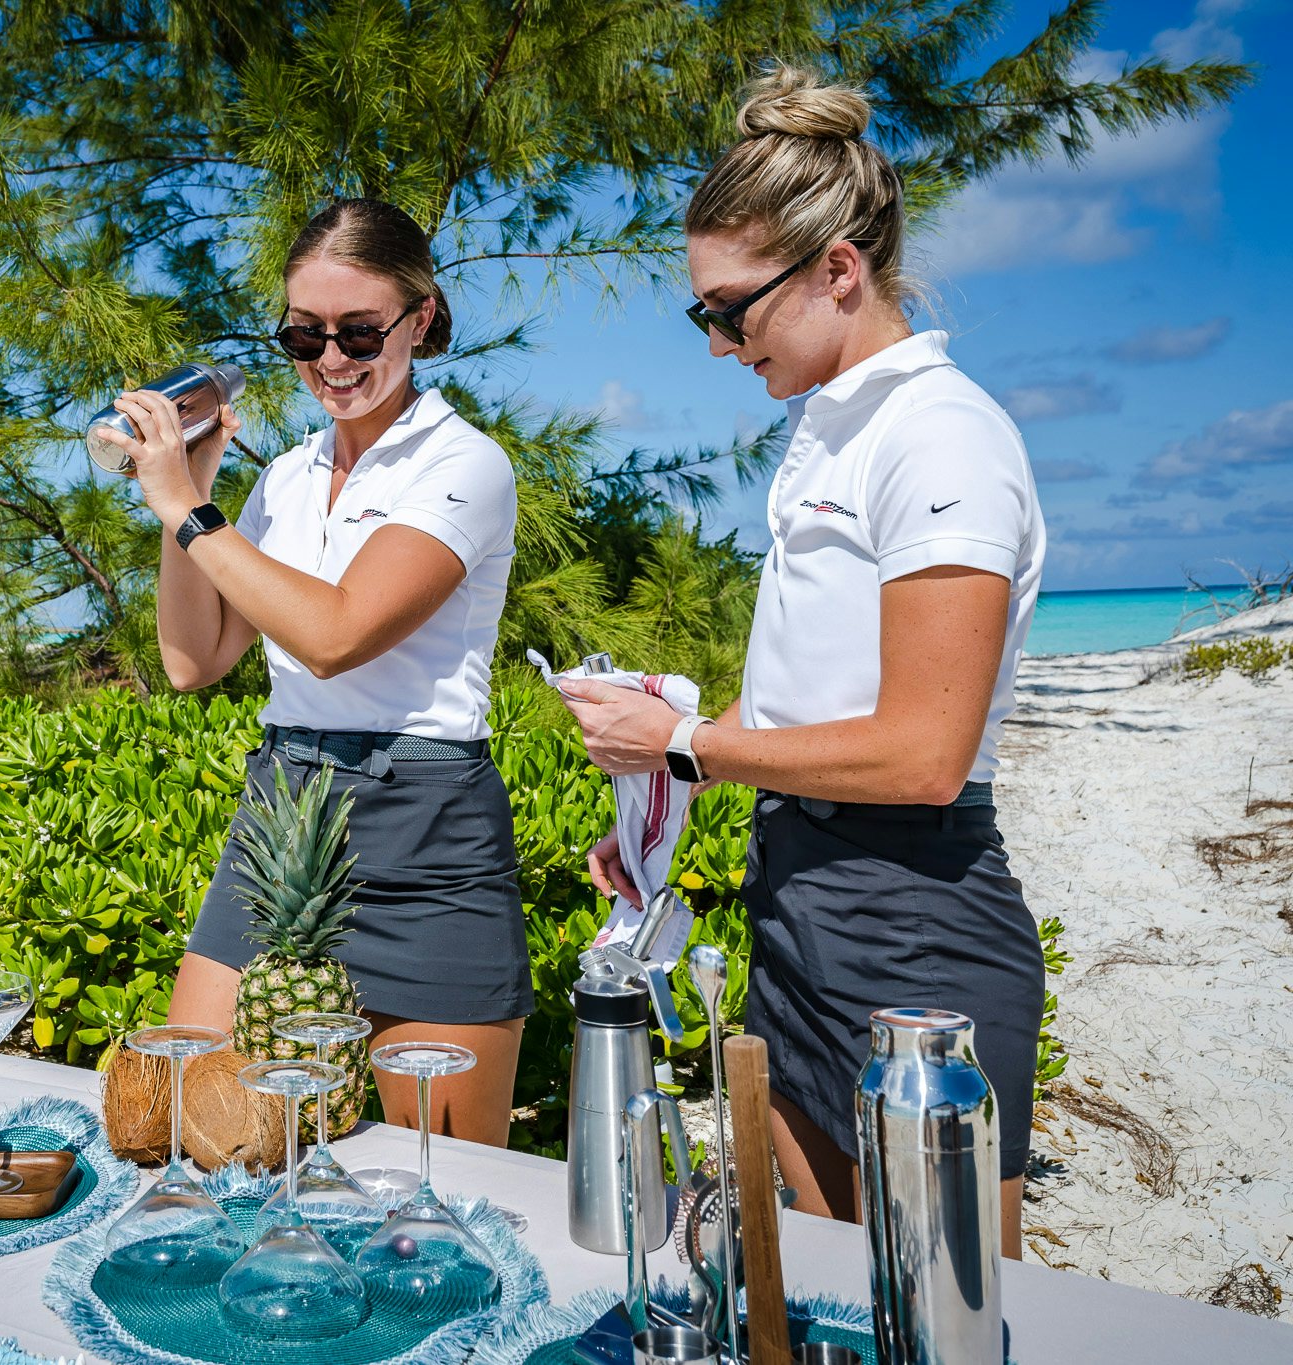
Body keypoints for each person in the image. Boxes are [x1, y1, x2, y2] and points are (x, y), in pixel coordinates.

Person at [556, 65, 1046, 1252]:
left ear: (835, 270)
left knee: (942, 1308)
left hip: (912, 909)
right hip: (800, 890)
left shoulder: (938, 435)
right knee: (828, 1281)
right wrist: (657, 806)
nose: (717, 344)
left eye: (731, 309)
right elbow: (801, 696)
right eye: (700, 315)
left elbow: (924, 756)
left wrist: (682, 743)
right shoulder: (831, 430)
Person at [91, 198, 529, 1145]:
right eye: (304, 334)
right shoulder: (285, 478)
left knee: (439, 1170)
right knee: (189, 1126)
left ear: (420, 317)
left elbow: (337, 634)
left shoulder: (465, 464)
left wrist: (187, 511)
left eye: (359, 332)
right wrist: (191, 496)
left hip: (427, 829)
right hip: (284, 809)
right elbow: (193, 659)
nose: (331, 359)